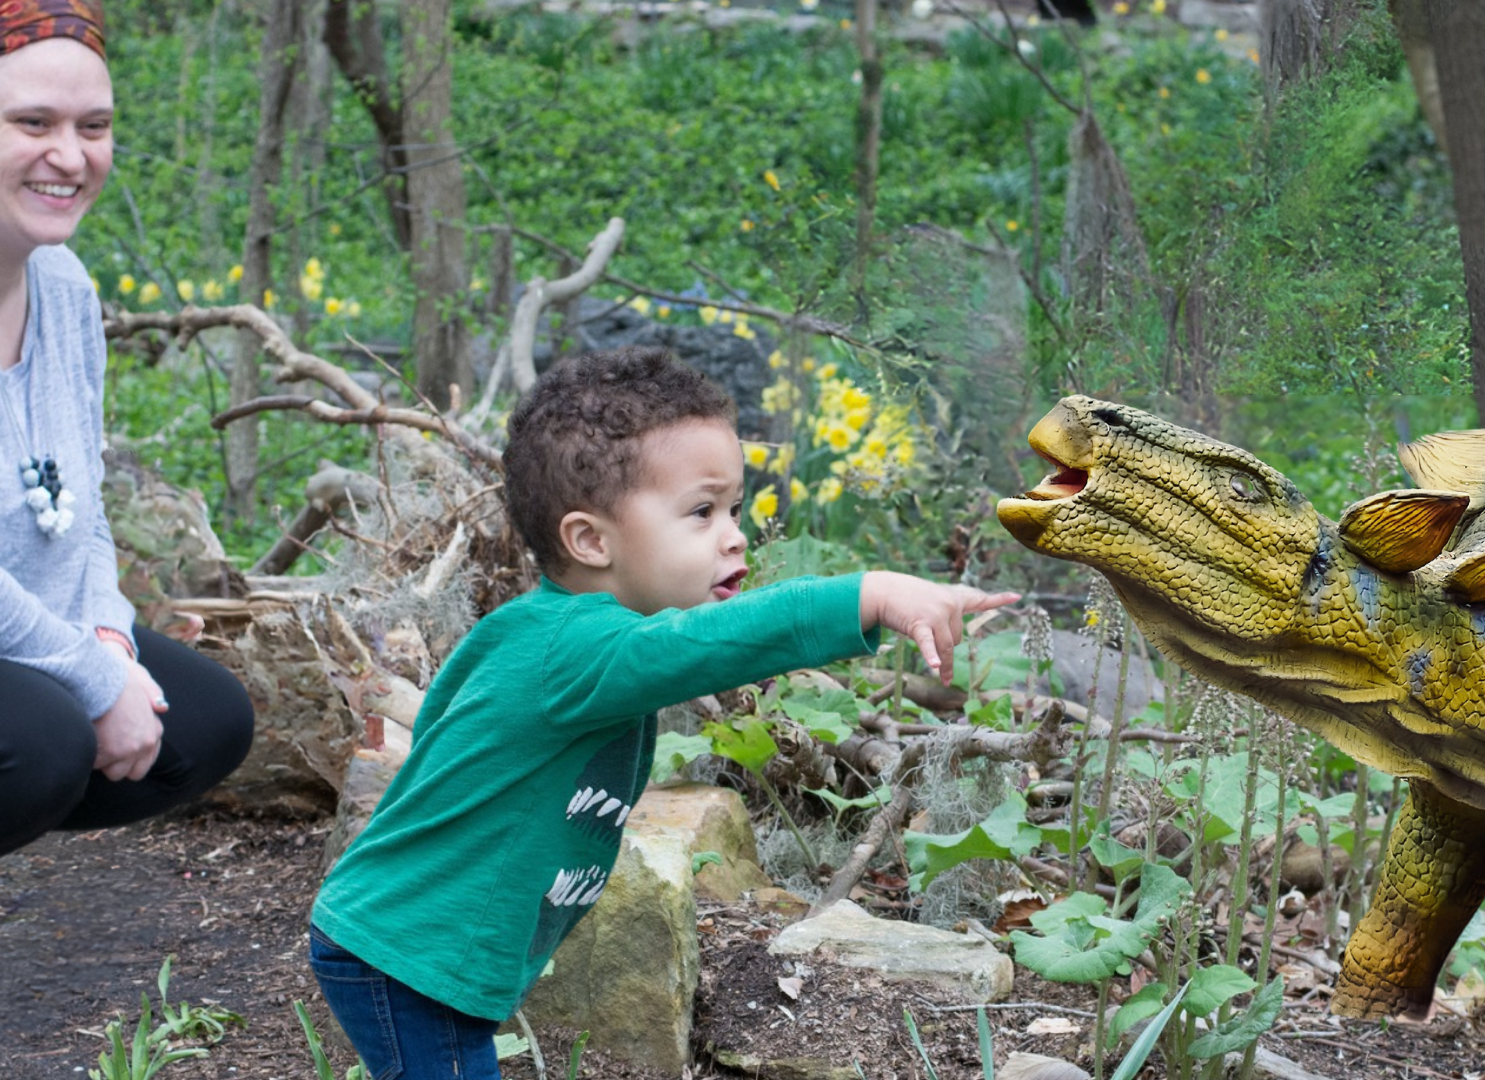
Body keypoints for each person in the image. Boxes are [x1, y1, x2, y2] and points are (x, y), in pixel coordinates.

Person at [310, 346, 1017, 1078]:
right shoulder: (579, 649)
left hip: (410, 942)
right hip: (406, 954)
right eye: (701, 511)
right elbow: (713, 644)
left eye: (735, 509)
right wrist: (868, 595)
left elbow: (443, 727)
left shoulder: (533, 632)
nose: (735, 533)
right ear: (590, 540)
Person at [0, 0, 254, 857]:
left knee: (203, 724)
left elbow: (82, 503)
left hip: (21, 624)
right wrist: (88, 676)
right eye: (32, 121)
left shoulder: (63, 288)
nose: (69, 156)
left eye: (94, 126)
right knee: (41, 744)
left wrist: (107, 632)